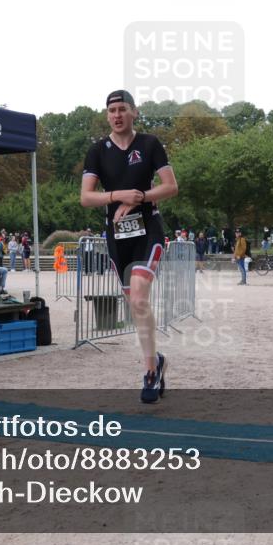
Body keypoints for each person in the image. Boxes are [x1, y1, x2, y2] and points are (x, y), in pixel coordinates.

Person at [80, 89, 179, 403]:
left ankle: (149, 371)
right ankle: (158, 360)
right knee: (136, 306)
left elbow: (171, 186)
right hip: (117, 235)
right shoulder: (97, 150)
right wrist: (117, 196)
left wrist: (141, 198)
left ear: (134, 112)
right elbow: (86, 197)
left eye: (122, 109)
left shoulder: (149, 144)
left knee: (139, 296)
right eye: (112, 111)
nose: (117, 115)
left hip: (148, 229)